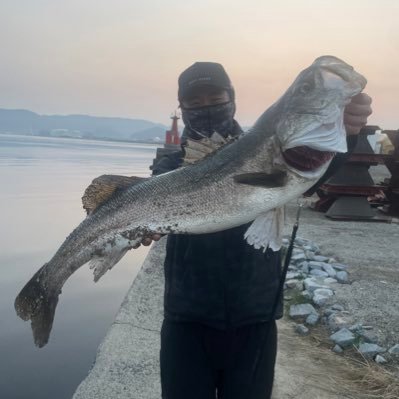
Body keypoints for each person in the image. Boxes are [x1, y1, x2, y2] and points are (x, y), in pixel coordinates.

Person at [141, 62, 372, 399]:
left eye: (215, 97)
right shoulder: (171, 164)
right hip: (186, 320)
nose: (205, 106)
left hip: (256, 319)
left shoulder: (269, 148)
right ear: (181, 109)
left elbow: (309, 168)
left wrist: (348, 134)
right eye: (193, 102)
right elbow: (150, 197)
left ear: (231, 98)